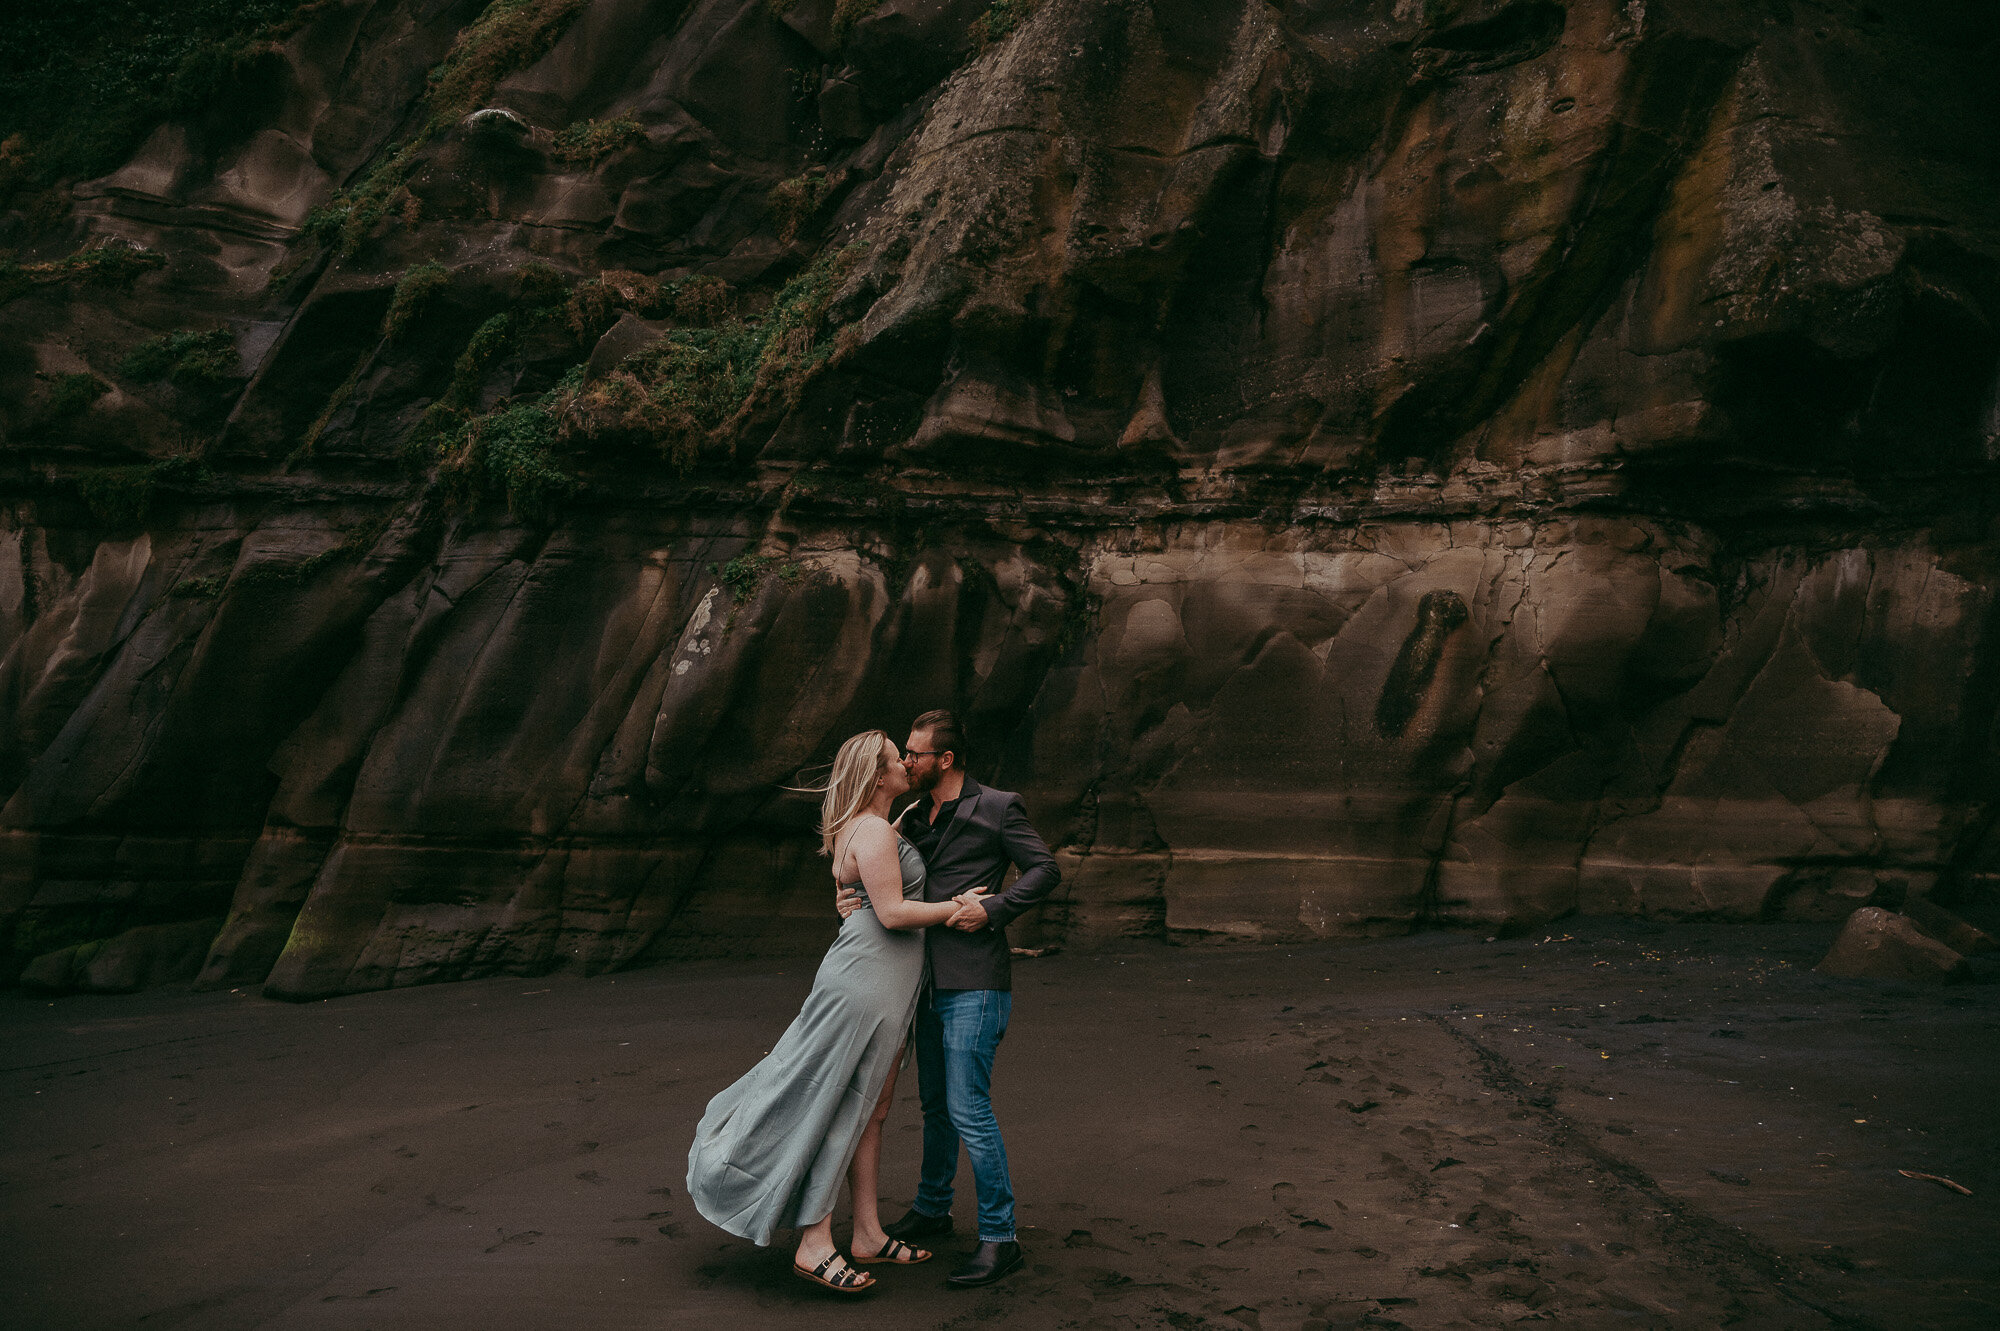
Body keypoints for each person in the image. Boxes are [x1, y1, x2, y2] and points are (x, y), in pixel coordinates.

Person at [687, 730, 990, 1294]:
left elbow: (874, 868)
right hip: (862, 987)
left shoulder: (877, 826)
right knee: (834, 1102)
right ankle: (814, 1241)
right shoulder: (872, 830)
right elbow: (895, 913)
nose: (906, 762)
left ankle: (869, 1234)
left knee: (870, 1109)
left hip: (882, 987)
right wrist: (965, 906)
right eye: (897, 758)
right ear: (878, 776)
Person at [838, 708, 1061, 1288]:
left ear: (947, 759)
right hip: (921, 982)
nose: (907, 761)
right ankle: (933, 1208)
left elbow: (1045, 869)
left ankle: (1000, 1238)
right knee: (935, 1106)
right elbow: (891, 882)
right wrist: (851, 899)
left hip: (976, 980)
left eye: (915, 753)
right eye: (904, 753)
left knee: (969, 1109)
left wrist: (993, 908)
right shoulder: (911, 815)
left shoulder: (998, 807)